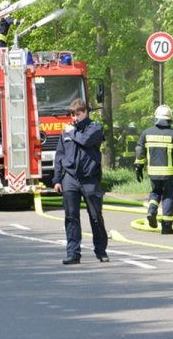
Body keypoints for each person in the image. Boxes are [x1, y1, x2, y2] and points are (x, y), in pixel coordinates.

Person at [52, 98, 108, 264]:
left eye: (78, 114)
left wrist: (71, 132)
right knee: (71, 217)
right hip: (70, 178)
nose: (75, 117)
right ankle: (73, 253)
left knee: (95, 216)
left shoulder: (95, 128)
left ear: (85, 112)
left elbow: (85, 140)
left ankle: (101, 251)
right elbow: (60, 156)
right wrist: (57, 179)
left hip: (90, 179)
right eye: (72, 114)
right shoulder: (67, 132)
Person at [134, 105, 173, 234]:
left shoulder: (146, 133)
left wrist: (138, 167)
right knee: (169, 197)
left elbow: (139, 151)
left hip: (153, 173)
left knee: (155, 192)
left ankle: (151, 210)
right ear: (169, 119)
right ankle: (166, 227)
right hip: (170, 174)